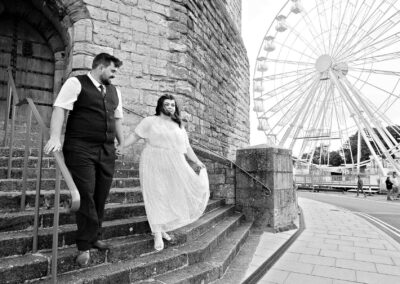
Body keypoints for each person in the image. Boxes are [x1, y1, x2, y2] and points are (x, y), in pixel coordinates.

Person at [44, 53, 124, 267]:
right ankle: (83, 246)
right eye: (113, 70)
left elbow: (117, 120)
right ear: (100, 67)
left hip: (106, 150)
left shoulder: (115, 91)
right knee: (85, 194)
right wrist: (54, 137)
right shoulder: (76, 82)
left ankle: (95, 235)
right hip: (80, 148)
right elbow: (60, 108)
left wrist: (121, 143)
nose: (115, 75)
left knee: (101, 194)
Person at [124, 94, 209, 251]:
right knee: (156, 194)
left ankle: (161, 227)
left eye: (172, 105)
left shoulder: (179, 126)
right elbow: (135, 135)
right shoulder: (150, 121)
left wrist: (197, 161)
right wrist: (122, 145)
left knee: (169, 195)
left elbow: (187, 147)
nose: (170, 107)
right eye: (167, 104)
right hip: (153, 160)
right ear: (160, 106)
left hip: (174, 163)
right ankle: (156, 232)